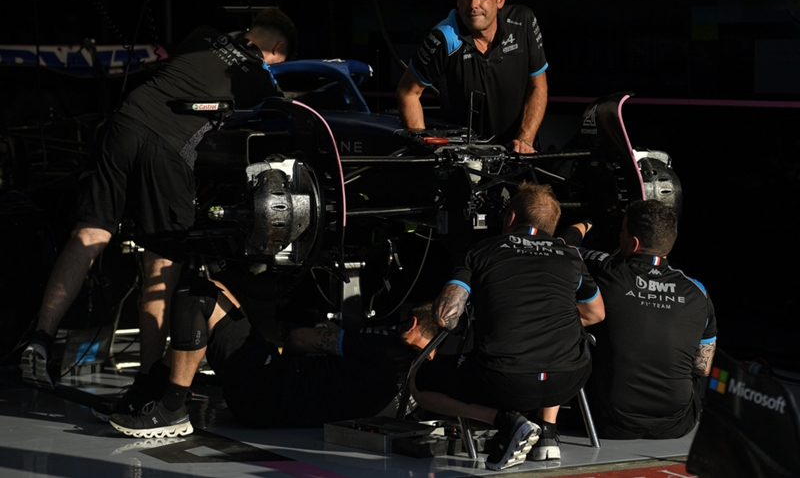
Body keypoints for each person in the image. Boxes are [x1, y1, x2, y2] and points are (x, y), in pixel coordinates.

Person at [21, 8, 297, 407]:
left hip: (124, 123)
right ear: (279, 48)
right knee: (159, 265)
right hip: (167, 149)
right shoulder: (258, 79)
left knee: (91, 232)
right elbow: (276, 119)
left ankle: (41, 339)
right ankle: (149, 378)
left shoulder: (202, 32)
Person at [410, 182, 605, 470]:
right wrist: (550, 316)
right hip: (568, 381)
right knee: (569, 341)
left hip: (504, 382)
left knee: (420, 381)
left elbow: (445, 318)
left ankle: (506, 421)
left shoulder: (481, 250)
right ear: (552, 225)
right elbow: (595, 314)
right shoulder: (570, 255)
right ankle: (548, 435)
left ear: (511, 218)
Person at [108, 277, 437, 437]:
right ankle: (153, 391)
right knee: (219, 290)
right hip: (276, 401)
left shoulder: (388, 349)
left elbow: (299, 338)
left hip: (269, 386)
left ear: (410, 324)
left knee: (199, 295)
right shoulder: (421, 392)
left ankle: (171, 406)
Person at [567, 199, 717, 439]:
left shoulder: (607, 271)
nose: (619, 236)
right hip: (677, 424)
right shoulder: (698, 291)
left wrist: (587, 222)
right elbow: (702, 367)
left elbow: (565, 247)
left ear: (633, 242)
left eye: (622, 231)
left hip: (605, 421)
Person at [396, 0, 548, 153]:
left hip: (519, 153)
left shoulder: (523, 21)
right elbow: (408, 91)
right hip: (463, 162)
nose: (473, 4)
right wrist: (427, 149)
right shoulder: (443, 37)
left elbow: (538, 84)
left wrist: (525, 140)